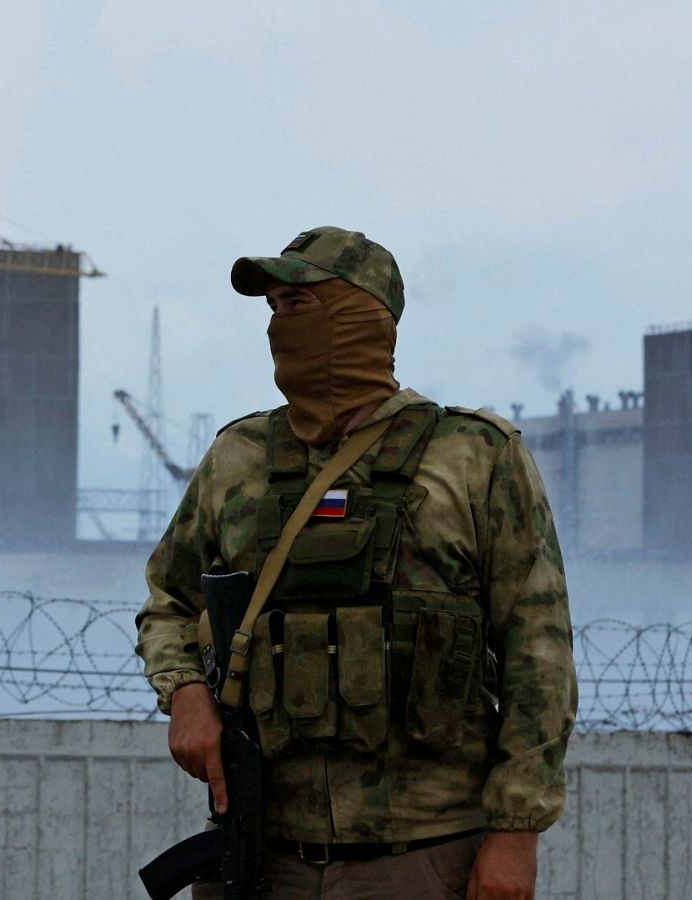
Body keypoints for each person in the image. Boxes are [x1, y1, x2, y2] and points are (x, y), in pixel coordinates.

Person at [135, 226, 577, 900]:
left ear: (361, 315)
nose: (280, 324)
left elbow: (537, 654)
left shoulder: (473, 455)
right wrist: (185, 692)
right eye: (273, 309)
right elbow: (170, 598)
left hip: (421, 854)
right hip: (263, 852)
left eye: (299, 304)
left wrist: (516, 834)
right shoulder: (241, 456)